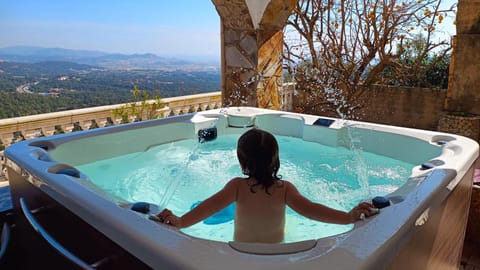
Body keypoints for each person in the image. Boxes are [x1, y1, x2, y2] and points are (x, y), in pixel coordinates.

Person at [156, 128, 375, 243]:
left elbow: (209, 207)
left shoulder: (236, 187)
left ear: (242, 163)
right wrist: (347, 217)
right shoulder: (285, 189)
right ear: (276, 160)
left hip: (240, 253)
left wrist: (181, 221)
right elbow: (311, 210)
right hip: (274, 255)